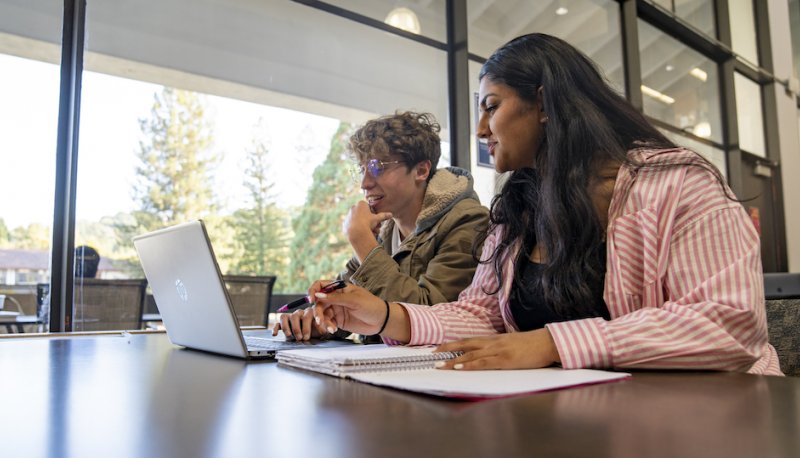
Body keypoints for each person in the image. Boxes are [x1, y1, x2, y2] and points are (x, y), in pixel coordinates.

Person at [309, 34, 782, 375]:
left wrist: (551, 343)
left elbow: (729, 323)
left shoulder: (678, 183)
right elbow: (483, 313)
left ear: (544, 103)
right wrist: (389, 316)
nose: (479, 130)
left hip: (709, 420)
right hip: (579, 415)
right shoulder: (520, 207)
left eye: (491, 106)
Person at [274, 111, 489, 341]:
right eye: (362, 169)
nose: (365, 183)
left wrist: (360, 239)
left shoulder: (467, 220)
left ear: (421, 170)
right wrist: (319, 320)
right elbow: (354, 305)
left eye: (378, 167)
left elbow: (429, 317)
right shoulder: (386, 230)